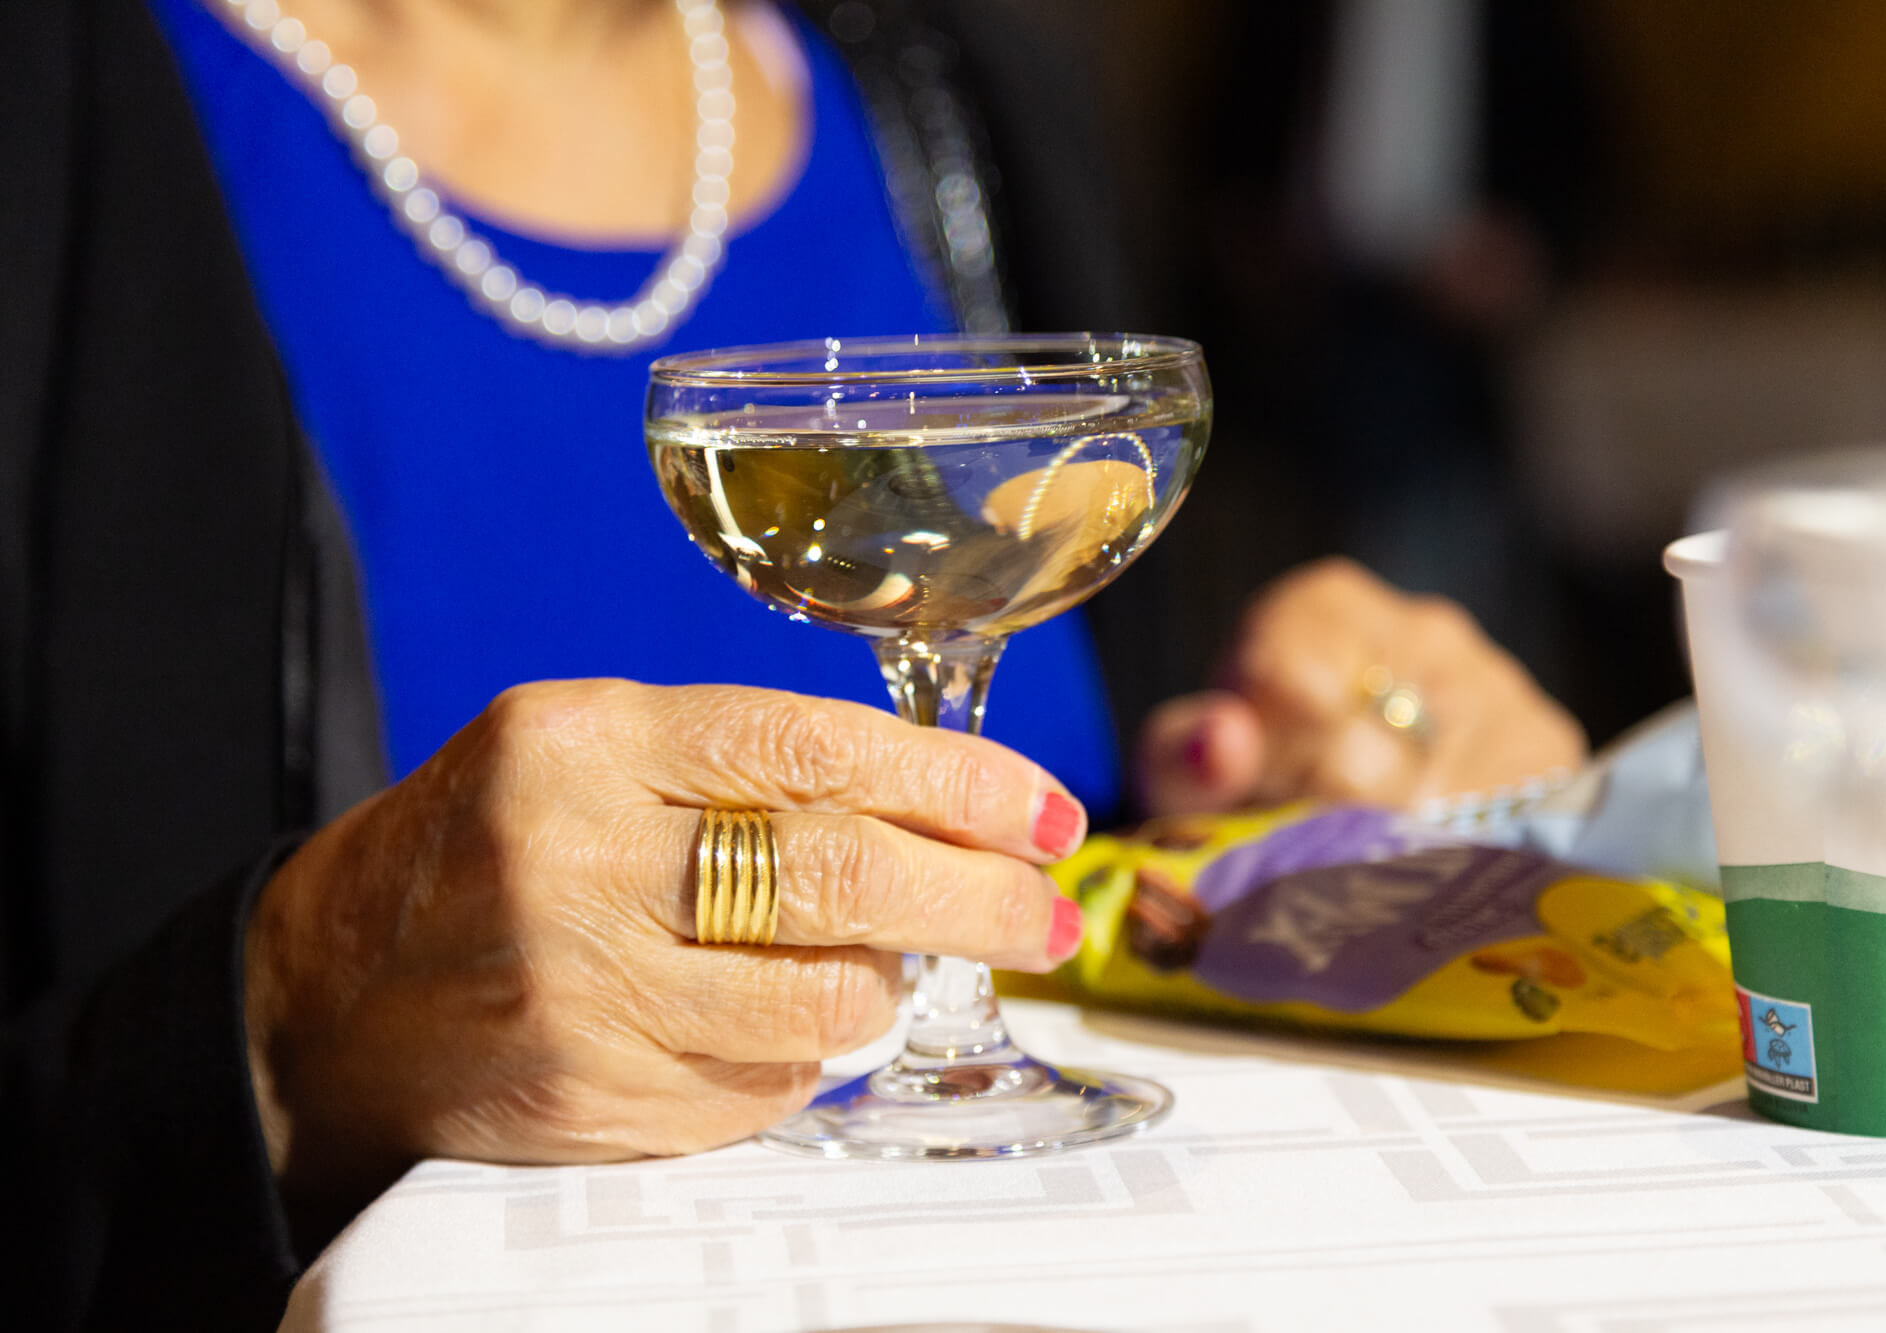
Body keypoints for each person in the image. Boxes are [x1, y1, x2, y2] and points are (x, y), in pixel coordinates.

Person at [0, 0, 1584, 1326]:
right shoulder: (65, 96)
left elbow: (1100, 821)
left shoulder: (958, 84)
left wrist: (1304, 787)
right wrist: (282, 1022)